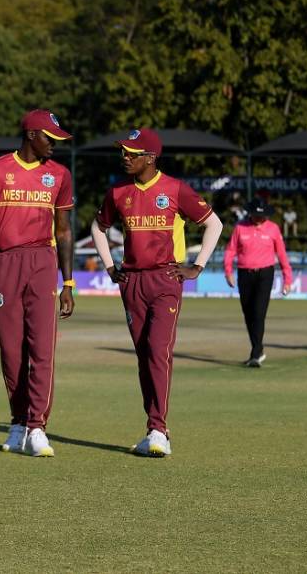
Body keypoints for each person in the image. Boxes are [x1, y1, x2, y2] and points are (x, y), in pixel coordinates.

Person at [90, 128, 222, 458]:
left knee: (158, 349)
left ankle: (159, 429)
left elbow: (214, 224)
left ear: (150, 158)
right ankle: (154, 428)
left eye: (131, 153)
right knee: (143, 355)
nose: (125, 157)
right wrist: (109, 267)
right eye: (123, 151)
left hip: (166, 281)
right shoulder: (118, 192)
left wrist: (197, 266)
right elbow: (97, 227)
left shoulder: (175, 189)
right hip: (132, 282)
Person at [0, 109, 75, 458]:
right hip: (5, 264)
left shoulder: (59, 175)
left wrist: (69, 282)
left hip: (43, 263)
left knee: (42, 349)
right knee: (11, 350)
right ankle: (18, 422)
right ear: (32, 134)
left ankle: (37, 427)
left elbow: (63, 230)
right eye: (51, 138)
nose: (55, 145)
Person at [224, 199, 293, 367]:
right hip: (244, 274)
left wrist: (287, 278)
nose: (260, 219)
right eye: (257, 215)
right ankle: (258, 348)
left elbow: (282, 254)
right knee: (248, 314)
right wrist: (228, 271)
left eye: (263, 216)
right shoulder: (240, 227)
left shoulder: (273, 229)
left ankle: (255, 354)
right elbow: (230, 250)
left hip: (265, 274)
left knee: (258, 313)